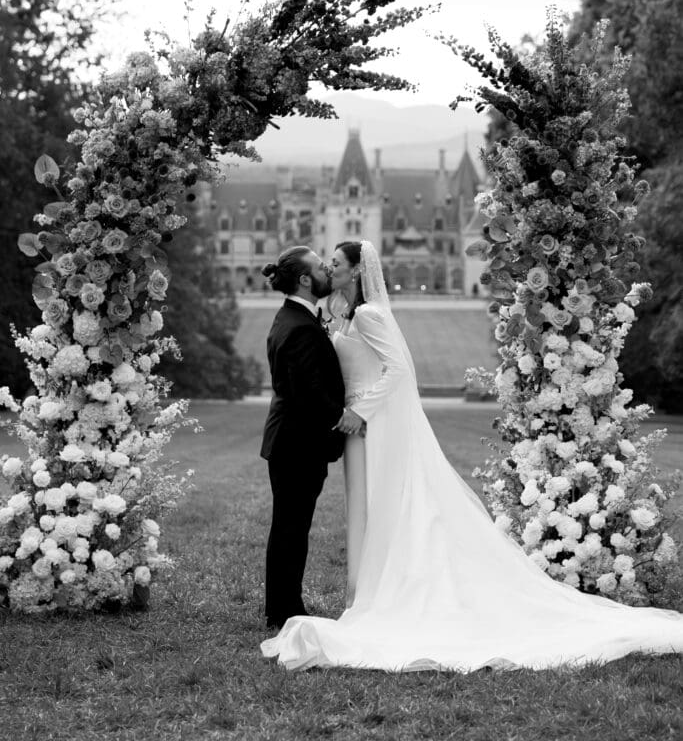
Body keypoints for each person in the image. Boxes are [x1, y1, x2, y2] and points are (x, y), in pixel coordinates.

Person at [261, 239, 683, 671]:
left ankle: (378, 595)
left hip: (368, 425)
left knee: (385, 506)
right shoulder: (338, 316)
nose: (329, 270)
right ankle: (360, 594)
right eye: (324, 264)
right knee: (366, 510)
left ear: (355, 271)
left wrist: (358, 409)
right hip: (354, 431)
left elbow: (400, 371)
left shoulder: (366, 314)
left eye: (334, 263)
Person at [259, 246, 363, 630]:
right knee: (291, 526)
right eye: (321, 267)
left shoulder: (295, 318)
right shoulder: (299, 326)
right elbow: (309, 391)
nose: (326, 271)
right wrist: (343, 417)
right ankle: (284, 611)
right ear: (305, 279)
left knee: (291, 524)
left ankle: (284, 604)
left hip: (290, 439)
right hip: (297, 442)